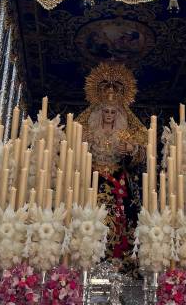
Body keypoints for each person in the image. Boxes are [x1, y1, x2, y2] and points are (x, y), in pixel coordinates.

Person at [78, 62, 145, 274]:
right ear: (100, 111)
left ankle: (118, 258)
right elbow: (69, 145)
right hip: (93, 178)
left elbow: (143, 151)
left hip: (117, 178)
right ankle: (89, 256)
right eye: (105, 111)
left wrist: (133, 149)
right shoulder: (88, 131)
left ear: (118, 113)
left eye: (112, 112)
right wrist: (82, 144)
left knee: (120, 216)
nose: (109, 114)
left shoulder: (125, 133)